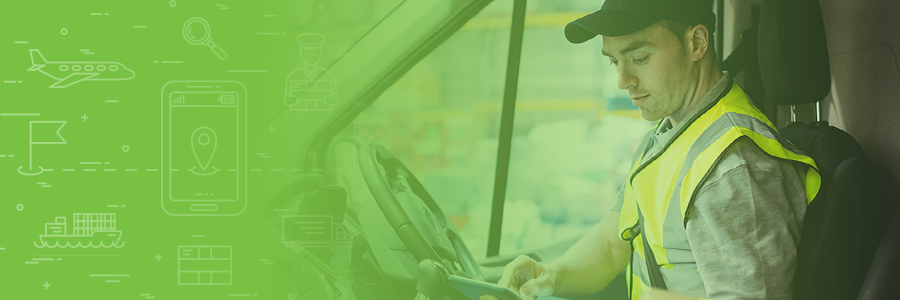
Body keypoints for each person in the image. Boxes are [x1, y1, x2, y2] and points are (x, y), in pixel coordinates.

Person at [485, 0, 821, 299]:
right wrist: (551, 277)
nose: (623, 79)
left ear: (697, 43)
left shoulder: (732, 168)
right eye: (614, 61)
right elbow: (610, 243)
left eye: (639, 57)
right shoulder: (668, 136)